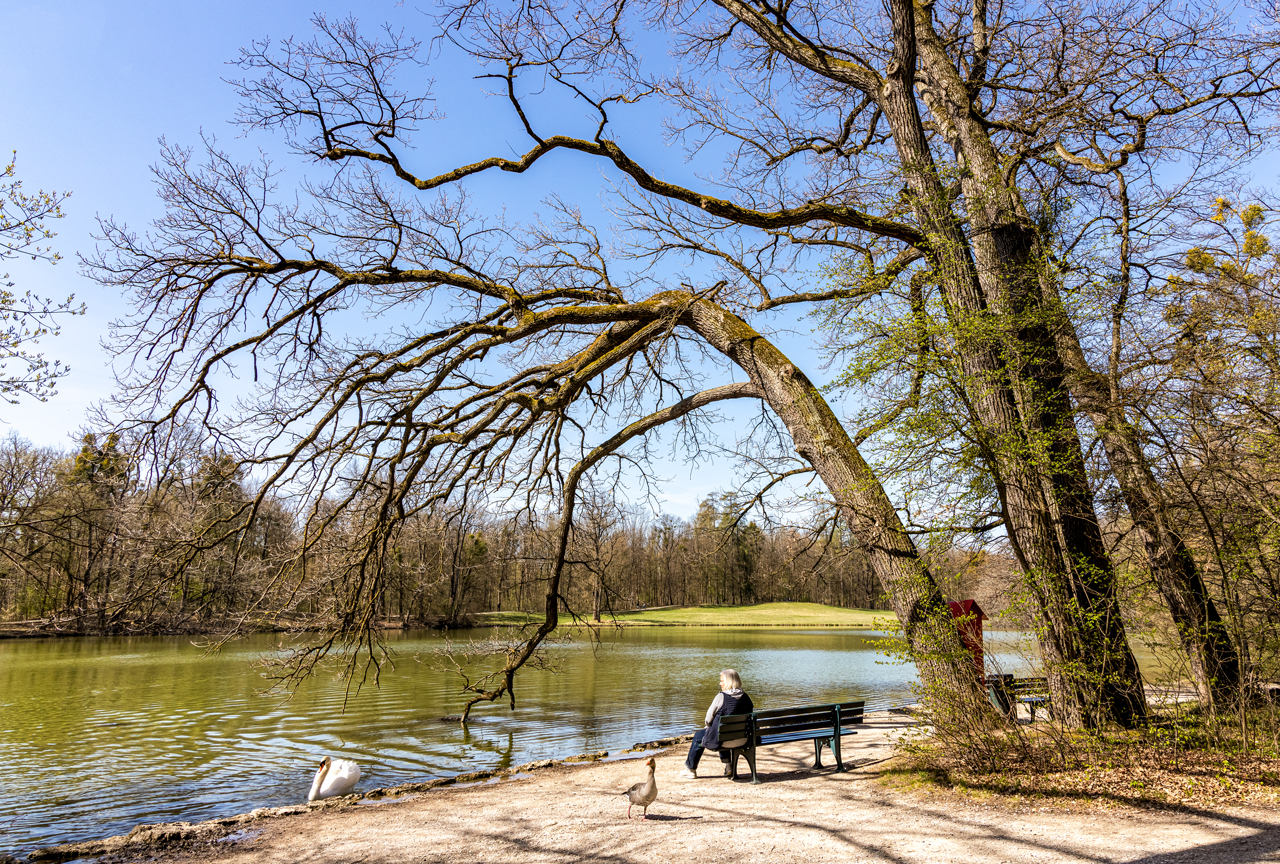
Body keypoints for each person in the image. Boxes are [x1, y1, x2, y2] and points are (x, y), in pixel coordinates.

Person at [678, 669, 754, 779]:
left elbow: (708, 719)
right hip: (743, 739)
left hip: (723, 740)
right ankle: (729, 766)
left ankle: (691, 769)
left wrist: (708, 727)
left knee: (699, 736)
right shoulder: (746, 698)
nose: (720, 683)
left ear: (728, 682)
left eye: (722, 681)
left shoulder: (721, 697)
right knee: (723, 731)